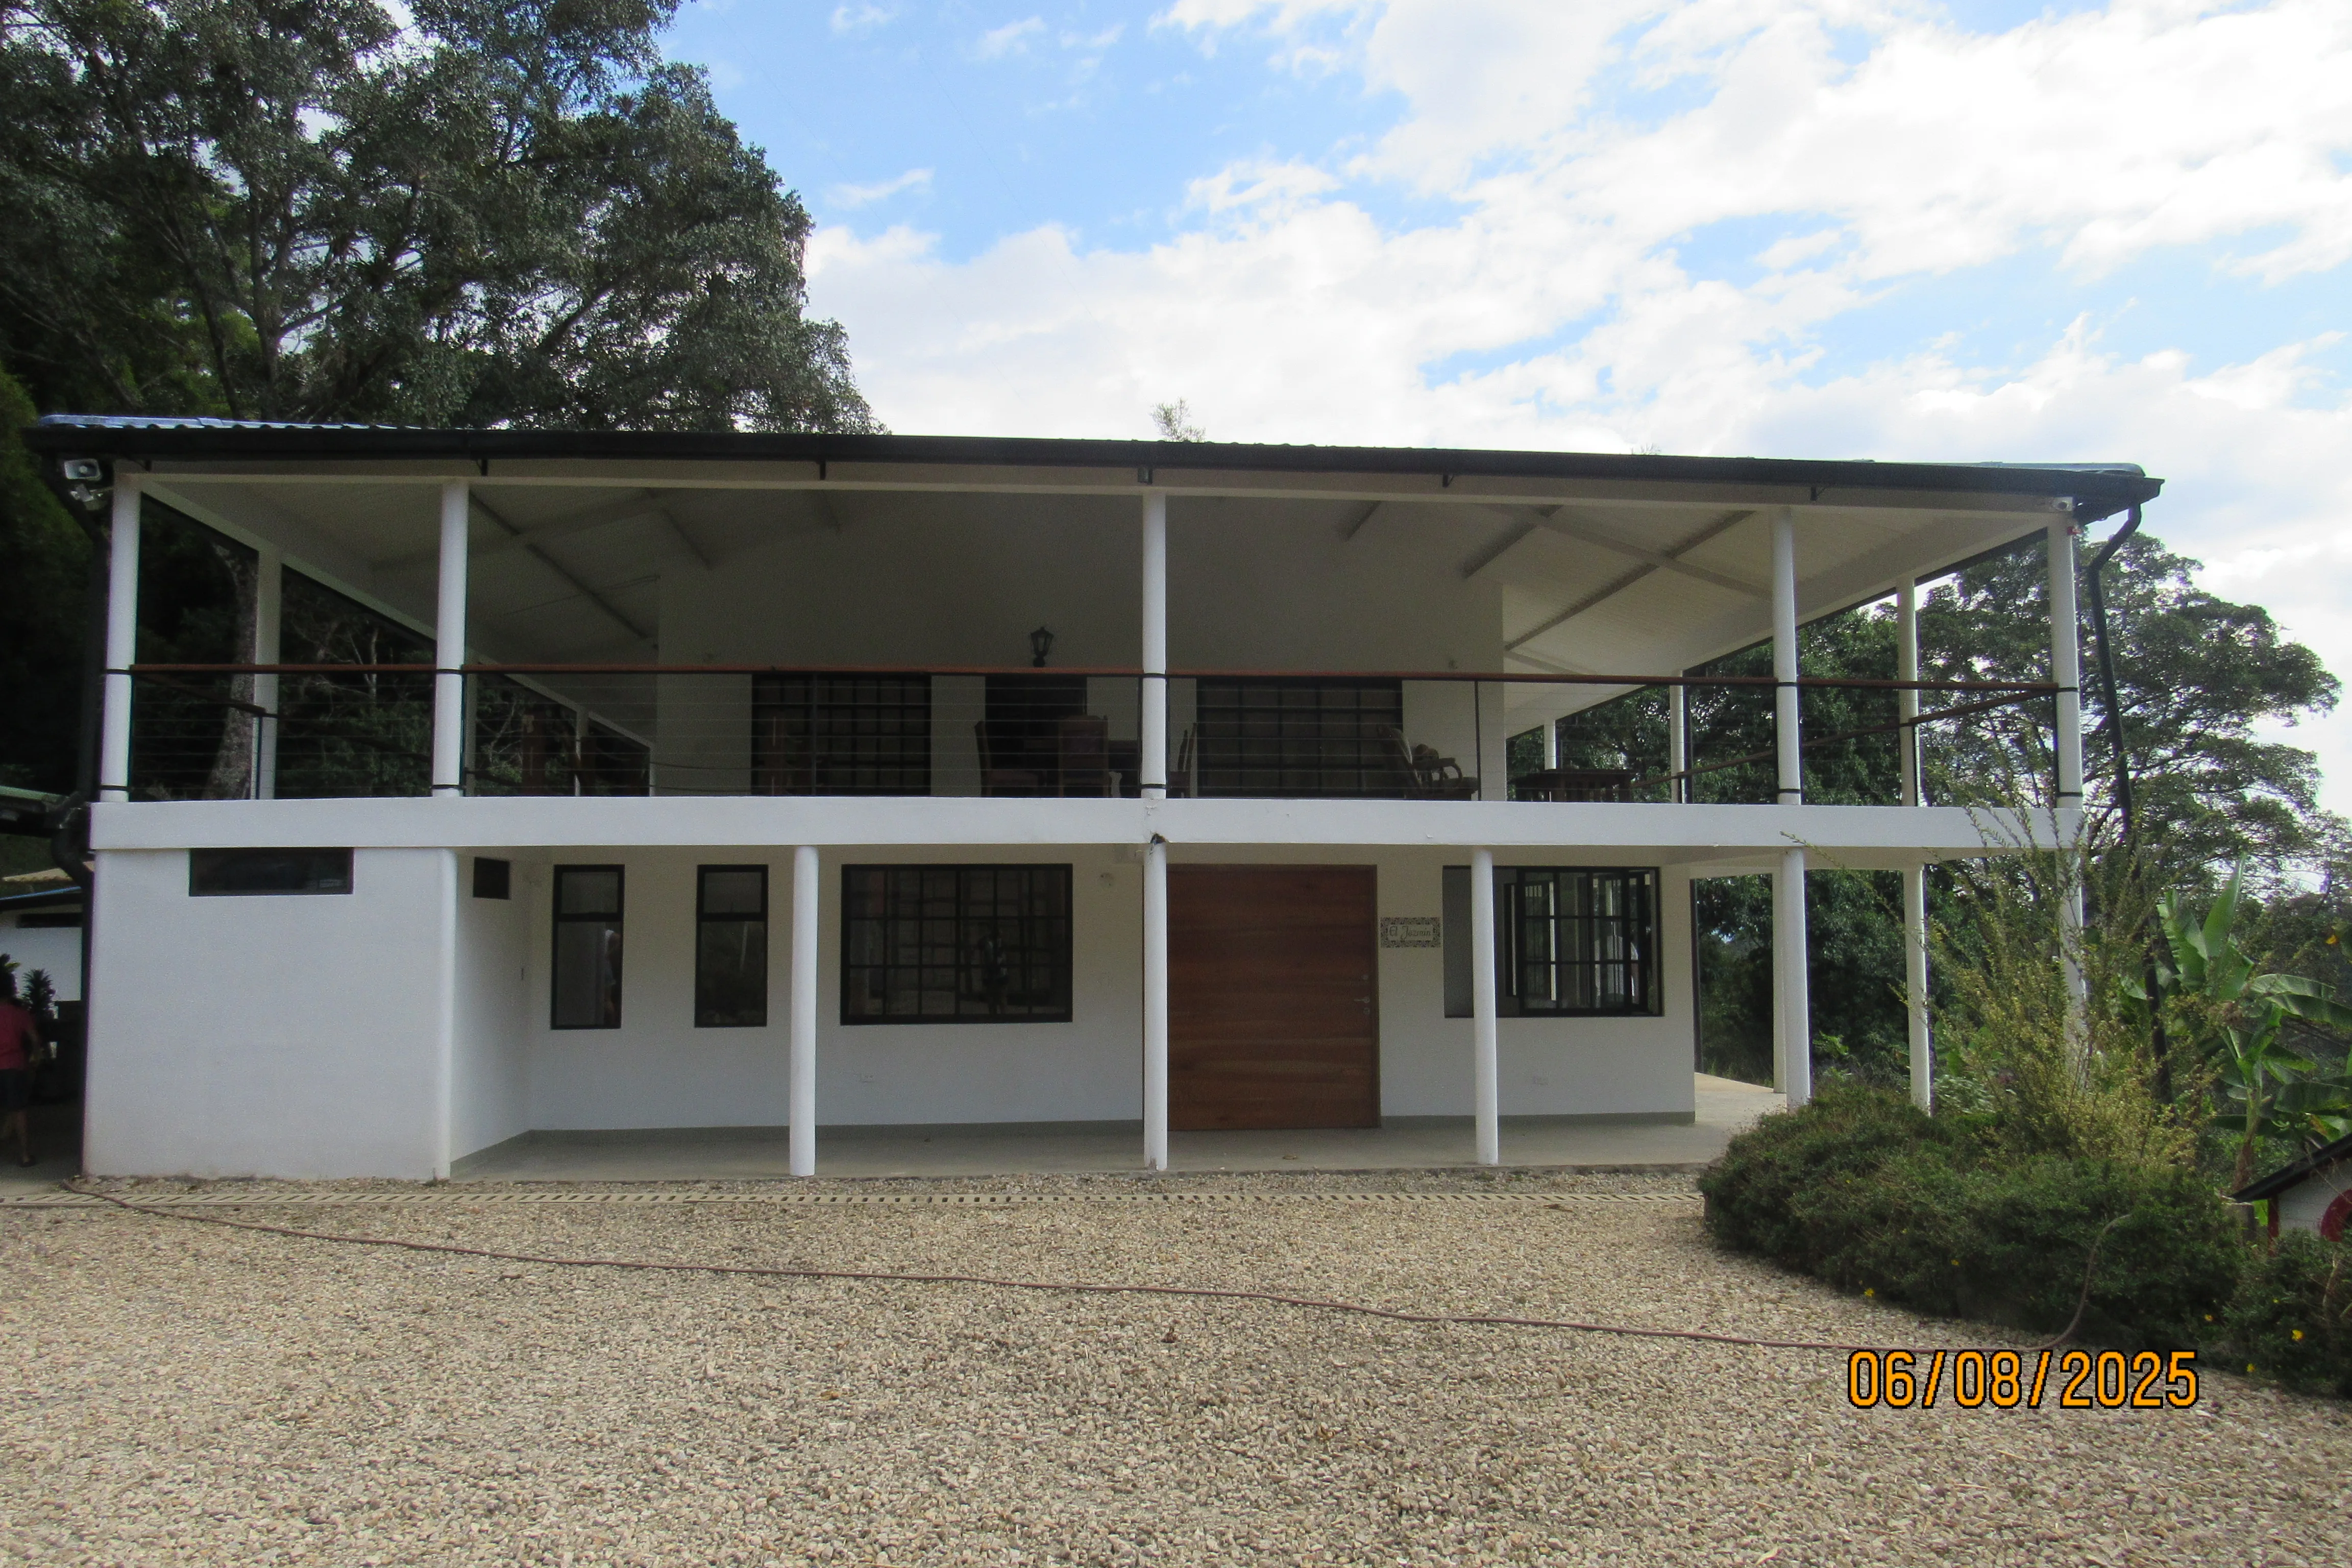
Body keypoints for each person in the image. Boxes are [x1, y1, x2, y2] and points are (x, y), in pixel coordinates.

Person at [0, 965, 42, 1167]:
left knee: (11, 1111)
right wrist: (36, 1057)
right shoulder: (20, 1014)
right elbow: (34, 1039)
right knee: (18, 1111)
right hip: (15, 1067)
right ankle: (25, 1155)